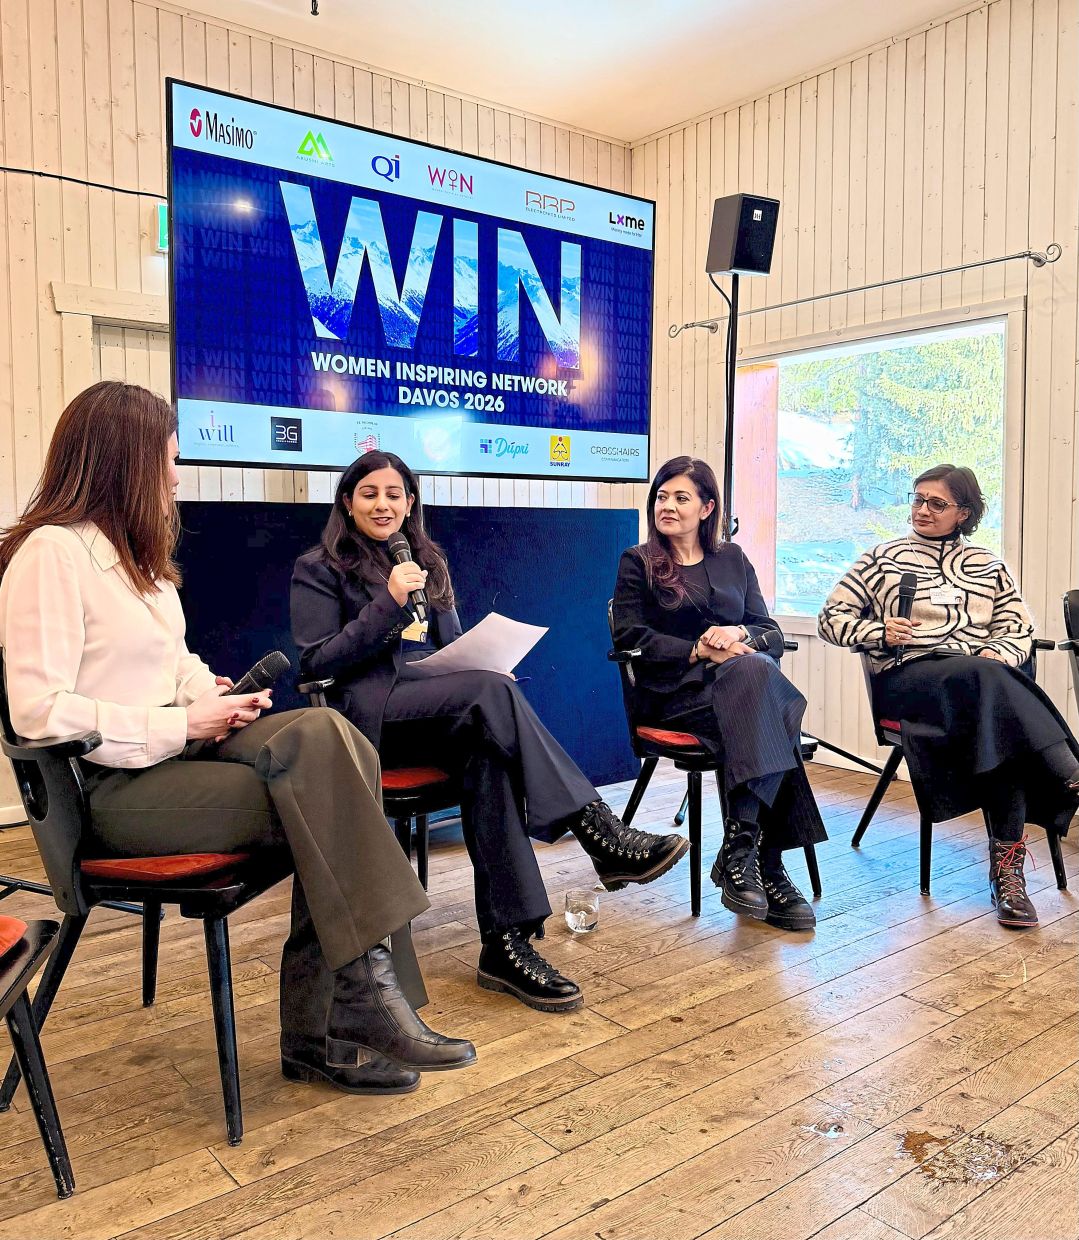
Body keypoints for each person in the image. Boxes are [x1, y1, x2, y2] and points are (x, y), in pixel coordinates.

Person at [0, 381, 477, 1098]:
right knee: (331, 793)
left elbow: (172, 666)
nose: (175, 476)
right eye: (167, 461)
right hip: (114, 796)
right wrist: (176, 722)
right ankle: (347, 1014)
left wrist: (208, 695)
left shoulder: (140, 564)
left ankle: (354, 1008)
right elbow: (38, 711)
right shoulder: (52, 554)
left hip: (177, 757)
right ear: (125, 464)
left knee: (330, 736)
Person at [290, 450, 690, 1013]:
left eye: (395, 494)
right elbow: (316, 662)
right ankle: (597, 830)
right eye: (370, 493)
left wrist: (483, 663)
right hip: (371, 721)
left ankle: (505, 945)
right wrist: (388, 603)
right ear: (348, 502)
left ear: (410, 503)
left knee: (491, 755)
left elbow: (449, 651)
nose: (384, 505)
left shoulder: (427, 558)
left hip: (439, 709)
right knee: (491, 695)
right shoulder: (320, 566)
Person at [818, 463, 1079, 928]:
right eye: (918, 499)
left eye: (936, 503)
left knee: (995, 715)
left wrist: (993, 655)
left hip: (978, 690)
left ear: (964, 512)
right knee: (988, 685)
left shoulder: (989, 566)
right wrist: (879, 631)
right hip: (911, 682)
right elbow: (831, 620)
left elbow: (1019, 631)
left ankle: (1009, 874)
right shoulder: (883, 557)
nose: (922, 509)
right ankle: (1066, 768)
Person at [612, 455, 826, 930]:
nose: (668, 505)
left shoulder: (733, 559)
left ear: (707, 508)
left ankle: (745, 855)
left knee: (753, 679)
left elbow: (767, 630)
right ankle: (764, 864)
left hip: (736, 692)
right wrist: (698, 650)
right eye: (662, 496)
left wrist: (739, 637)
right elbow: (629, 637)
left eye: (681, 497)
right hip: (674, 696)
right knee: (772, 707)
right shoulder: (639, 562)